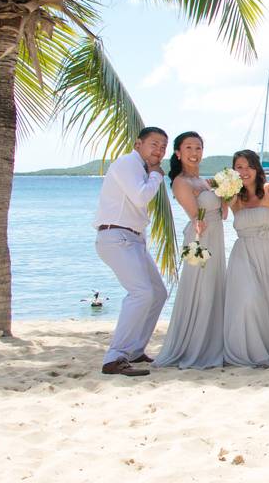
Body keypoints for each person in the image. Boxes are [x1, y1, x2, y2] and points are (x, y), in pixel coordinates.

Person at [94, 127, 169, 376]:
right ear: (138, 144)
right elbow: (140, 197)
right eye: (154, 144)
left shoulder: (141, 168)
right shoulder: (128, 163)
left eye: (163, 147)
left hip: (132, 239)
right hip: (116, 236)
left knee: (157, 292)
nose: (159, 150)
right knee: (141, 292)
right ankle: (115, 357)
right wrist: (157, 175)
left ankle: (135, 350)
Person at [154, 132, 226, 369]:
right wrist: (200, 216)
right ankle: (193, 346)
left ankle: (211, 342)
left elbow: (223, 213)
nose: (194, 153)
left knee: (214, 286)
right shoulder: (181, 182)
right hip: (199, 237)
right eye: (189, 148)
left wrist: (228, 192)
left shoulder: (206, 181)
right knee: (198, 287)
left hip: (216, 235)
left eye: (198, 148)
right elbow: (195, 215)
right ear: (178, 153)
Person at [223, 150, 269, 366]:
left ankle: (268, 348)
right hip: (242, 254)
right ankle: (248, 352)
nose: (244, 171)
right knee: (248, 298)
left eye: (248, 166)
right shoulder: (234, 197)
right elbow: (221, 214)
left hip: (268, 253)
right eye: (239, 167)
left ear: (257, 169)